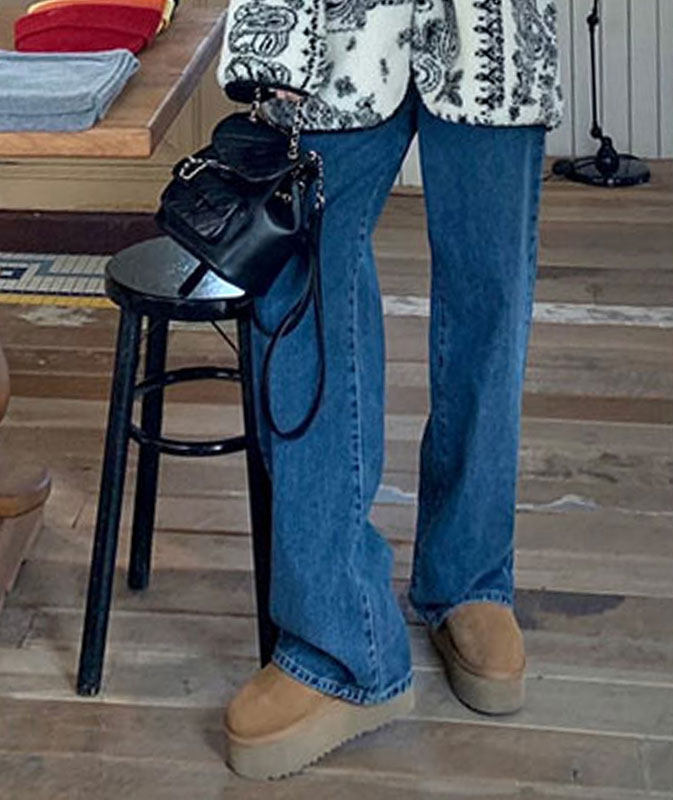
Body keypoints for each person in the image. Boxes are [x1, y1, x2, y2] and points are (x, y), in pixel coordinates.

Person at [216, 0, 564, 780]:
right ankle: (338, 639)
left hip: (494, 28)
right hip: (330, 26)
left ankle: (470, 578)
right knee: (304, 284)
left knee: (490, 297)